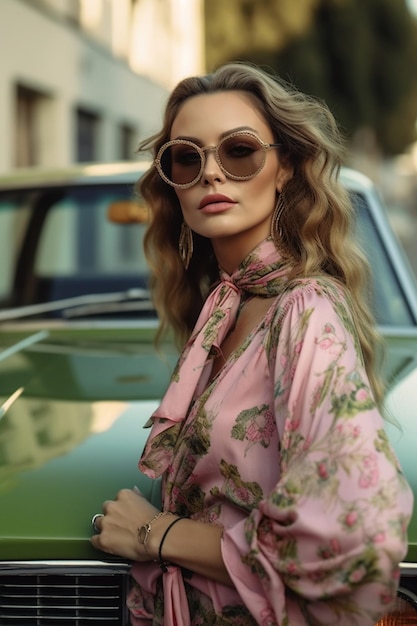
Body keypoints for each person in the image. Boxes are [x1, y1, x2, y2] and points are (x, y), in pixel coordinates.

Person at [90, 62, 413, 625]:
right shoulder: (223, 309)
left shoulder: (305, 310)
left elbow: (347, 539)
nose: (211, 174)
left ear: (284, 167)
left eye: (239, 151)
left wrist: (154, 533)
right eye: (187, 158)